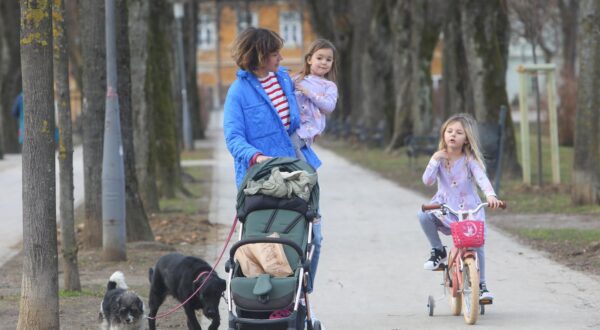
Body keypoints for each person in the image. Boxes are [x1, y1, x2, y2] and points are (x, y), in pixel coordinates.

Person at [223, 27, 323, 312]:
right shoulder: (238, 92)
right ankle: (258, 297)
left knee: (313, 237)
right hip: (261, 179)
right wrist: (256, 157)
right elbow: (233, 138)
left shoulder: (283, 78)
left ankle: (298, 296)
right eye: (274, 52)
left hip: (296, 173)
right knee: (261, 239)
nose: (281, 56)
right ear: (258, 55)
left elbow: (301, 111)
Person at [417, 113, 503, 302]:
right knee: (422, 215)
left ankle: (482, 286)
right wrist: (434, 159)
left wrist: (490, 195)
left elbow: (482, 179)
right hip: (446, 209)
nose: (453, 135)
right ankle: (438, 251)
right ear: (443, 135)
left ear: (466, 139)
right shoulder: (439, 159)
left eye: (458, 132)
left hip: (468, 212)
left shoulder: (469, 160)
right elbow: (427, 181)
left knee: (477, 244)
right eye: (449, 131)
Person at [290, 39, 338, 161]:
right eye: (320, 58)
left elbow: (329, 107)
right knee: (283, 147)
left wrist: (309, 93)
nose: (324, 62)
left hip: (307, 128)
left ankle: (305, 171)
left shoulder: (329, 86)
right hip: (291, 124)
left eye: (328, 60)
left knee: (292, 145)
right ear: (309, 59)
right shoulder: (297, 79)